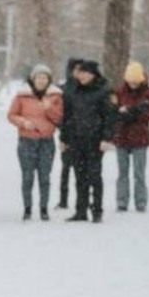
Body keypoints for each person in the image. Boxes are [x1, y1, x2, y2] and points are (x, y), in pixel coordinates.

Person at [60, 60, 117, 223]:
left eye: (85, 73)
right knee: (79, 176)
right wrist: (64, 138)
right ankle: (81, 210)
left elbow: (110, 117)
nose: (82, 76)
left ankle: (97, 210)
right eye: (80, 73)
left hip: (95, 140)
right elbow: (67, 117)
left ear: (93, 74)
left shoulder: (104, 91)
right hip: (76, 139)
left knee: (94, 176)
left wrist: (107, 138)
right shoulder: (73, 91)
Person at [7, 64, 63, 221]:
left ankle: (44, 209)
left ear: (49, 80)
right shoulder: (22, 96)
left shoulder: (56, 96)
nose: (41, 80)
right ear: (33, 78)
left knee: (45, 177)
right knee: (27, 176)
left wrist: (48, 109)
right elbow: (11, 115)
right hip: (26, 140)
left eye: (44, 77)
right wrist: (23, 122)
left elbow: (59, 119)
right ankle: (27, 208)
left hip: (46, 141)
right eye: (38, 77)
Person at [112, 61, 149, 213]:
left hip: (140, 138)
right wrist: (129, 112)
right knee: (122, 172)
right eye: (130, 81)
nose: (133, 84)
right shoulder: (118, 93)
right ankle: (121, 201)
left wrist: (131, 112)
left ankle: (141, 202)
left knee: (139, 173)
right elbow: (114, 113)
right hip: (122, 137)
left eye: (136, 81)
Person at [54, 57, 85, 210]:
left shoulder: (88, 87)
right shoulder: (63, 89)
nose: (78, 73)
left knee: (83, 170)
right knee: (65, 168)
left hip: (85, 135)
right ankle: (63, 200)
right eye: (76, 69)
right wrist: (63, 131)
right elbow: (58, 113)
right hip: (67, 133)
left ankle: (83, 200)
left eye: (81, 69)